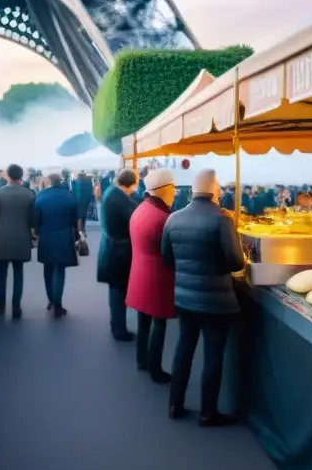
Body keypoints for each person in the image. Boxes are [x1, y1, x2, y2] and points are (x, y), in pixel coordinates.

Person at [162, 169, 245, 426]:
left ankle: (175, 403)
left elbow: (167, 258)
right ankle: (208, 412)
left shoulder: (173, 219)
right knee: (213, 355)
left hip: (184, 297)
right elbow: (235, 262)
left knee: (184, 349)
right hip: (215, 300)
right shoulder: (221, 219)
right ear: (214, 190)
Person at [126, 168, 176, 383]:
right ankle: (155, 369)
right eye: (173, 188)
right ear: (164, 189)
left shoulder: (141, 209)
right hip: (158, 277)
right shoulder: (163, 218)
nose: (174, 192)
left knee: (144, 320)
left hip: (140, 272)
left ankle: (142, 359)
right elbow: (170, 253)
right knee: (160, 324)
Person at [0, 164, 35, 318]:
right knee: (19, 273)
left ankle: (0, 307)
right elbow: (33, 220)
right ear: (21, 176)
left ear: (7, 176)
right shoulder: (30, 194)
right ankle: (16, 308)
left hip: (2, 240)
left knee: (1, 274)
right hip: (22, 240)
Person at [97, 169, 140, 341]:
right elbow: (135, 217)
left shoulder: (113, 193)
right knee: (118, 291)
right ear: (131, 184)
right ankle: (119, 329)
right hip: (117, 251)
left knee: (117, 290)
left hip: (112, 248)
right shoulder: (118, 198)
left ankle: (117, 326)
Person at [33, 172, 79, 317]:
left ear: (48, 182)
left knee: (47, 269)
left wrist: (37, 233)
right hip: (64, 236)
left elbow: (36, 220)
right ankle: (58, 304)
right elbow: (75, 220)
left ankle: (51, 300)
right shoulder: (69, 197)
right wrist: (77, 234)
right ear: (61, 182)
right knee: (59, 270)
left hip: (46, 236)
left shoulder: (40, 196)